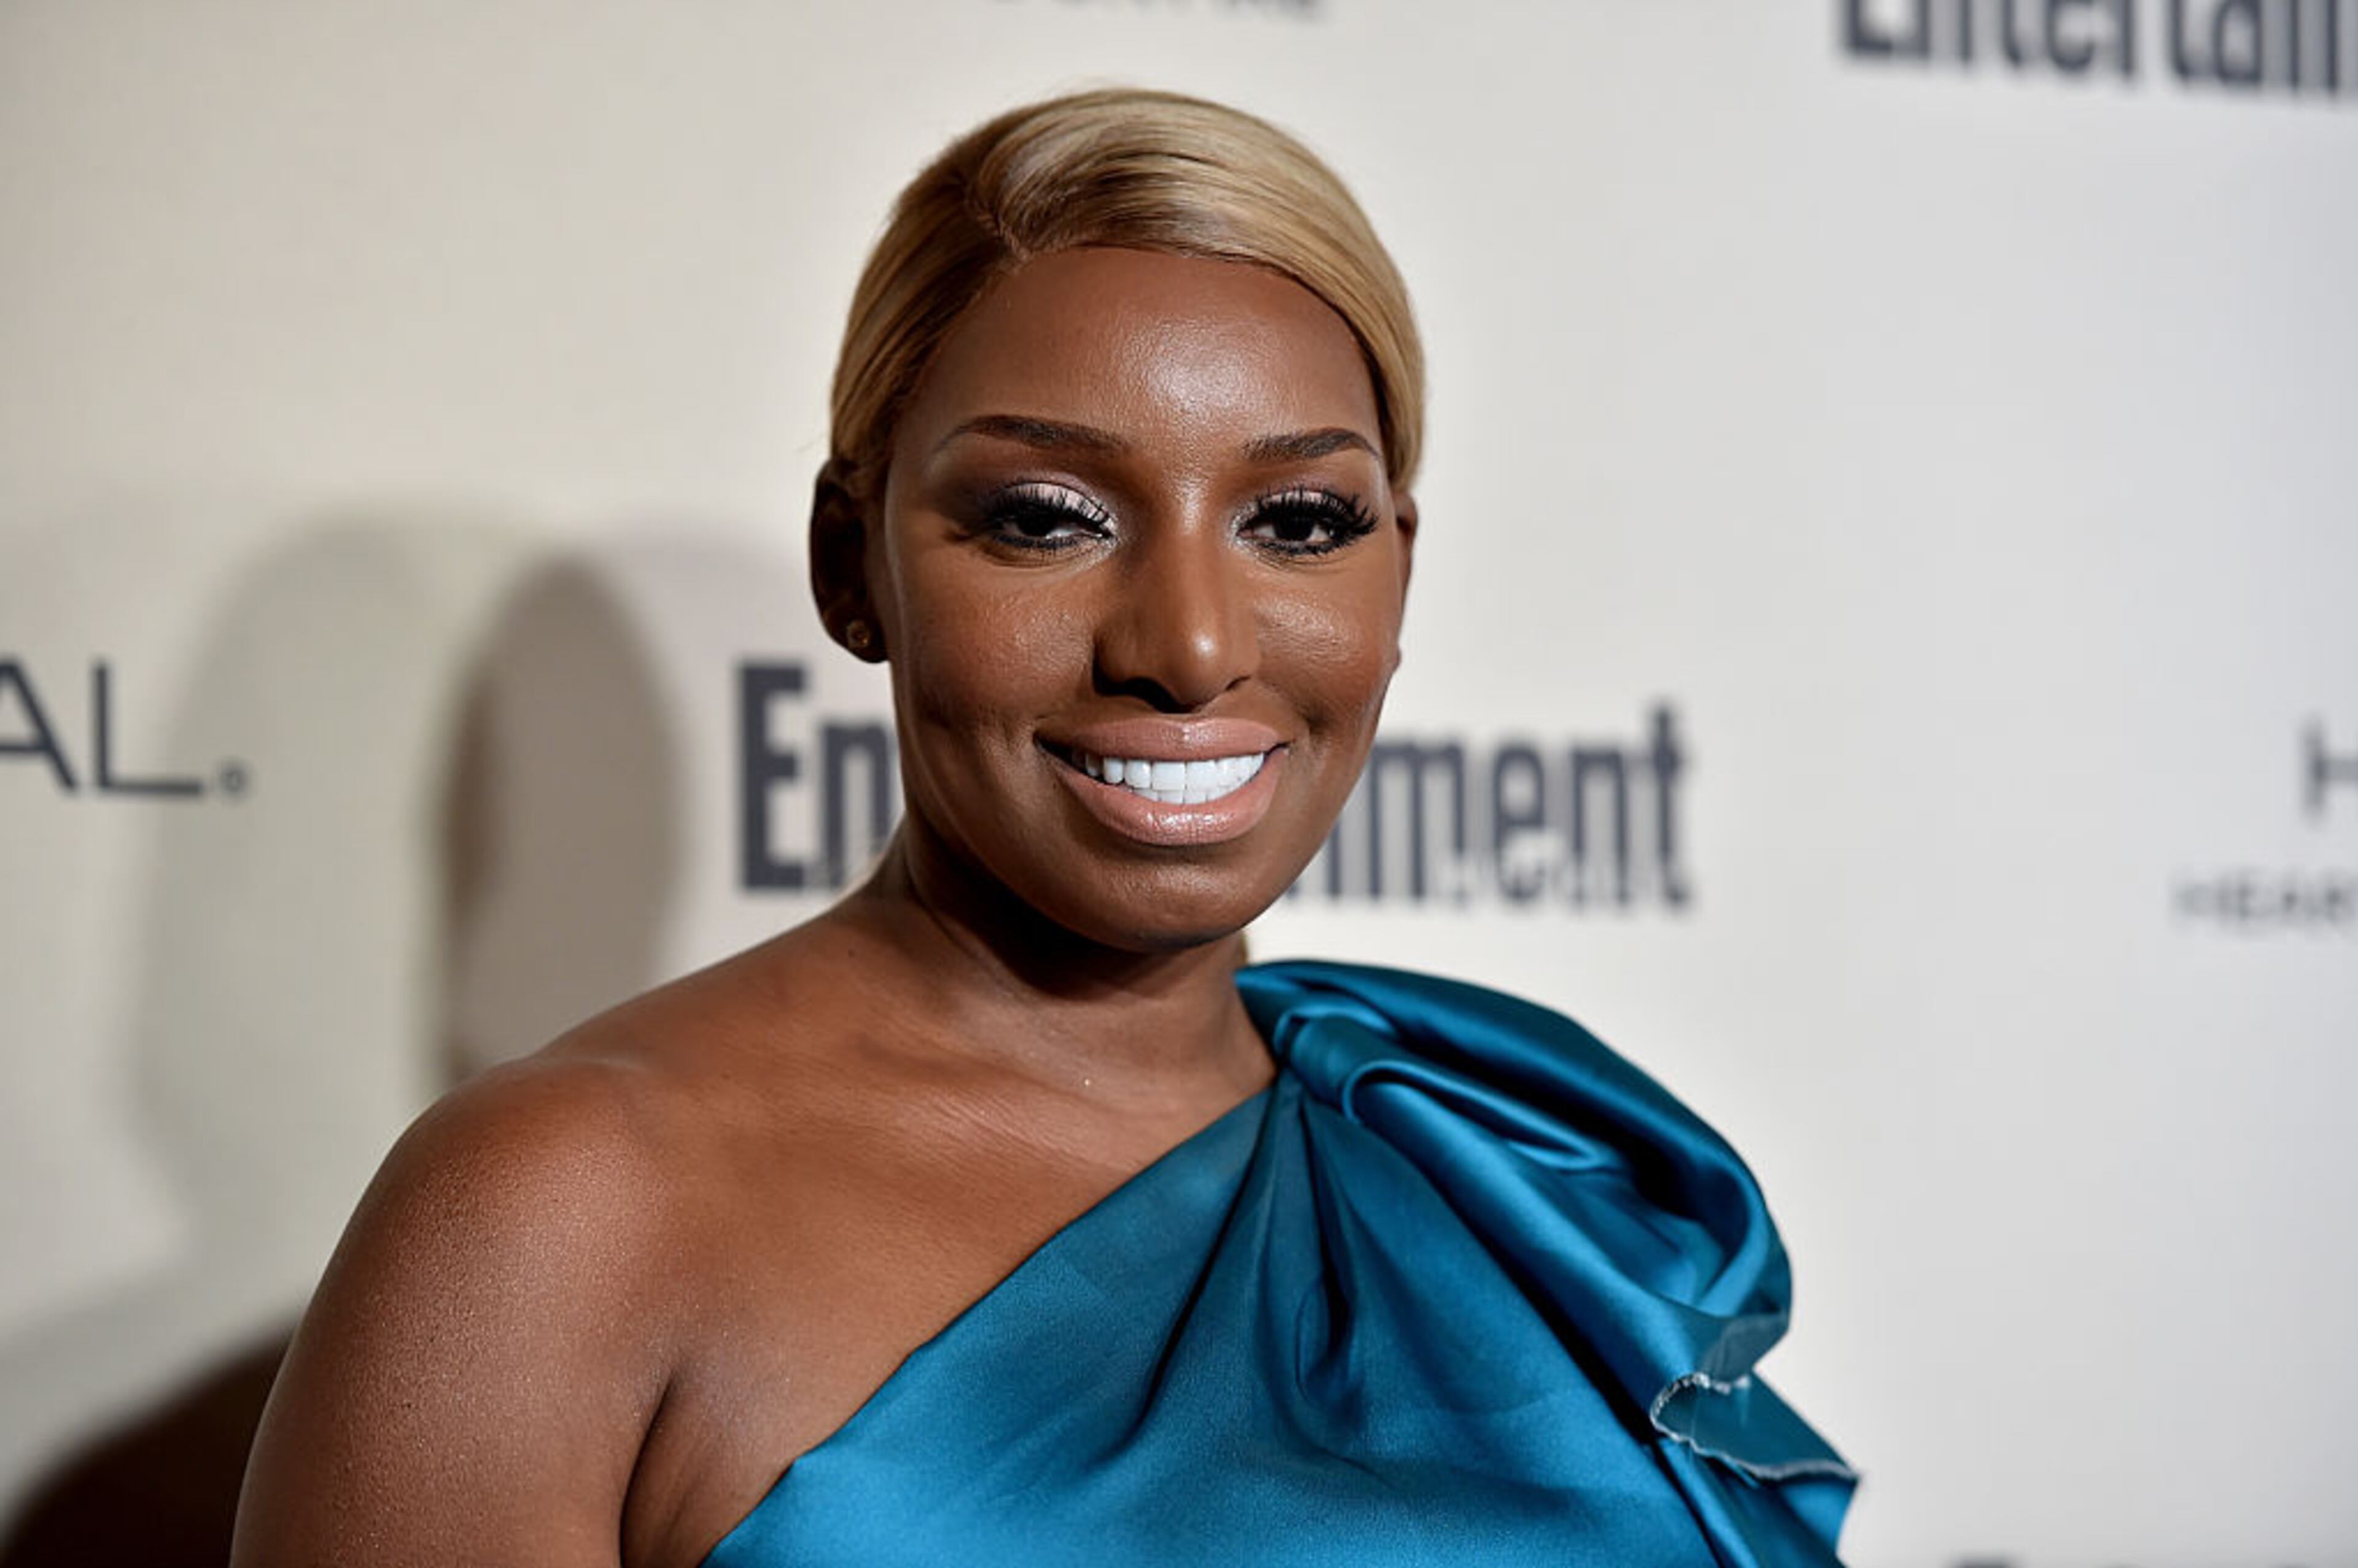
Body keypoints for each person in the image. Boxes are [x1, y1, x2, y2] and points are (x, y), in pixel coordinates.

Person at [232, 88, 1853, 1567]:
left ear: (1400, 577)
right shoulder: (557, 1216)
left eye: (1299, 521)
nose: (1192, 643)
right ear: (850, 564)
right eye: (1045, 519)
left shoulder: (1523, 1169)